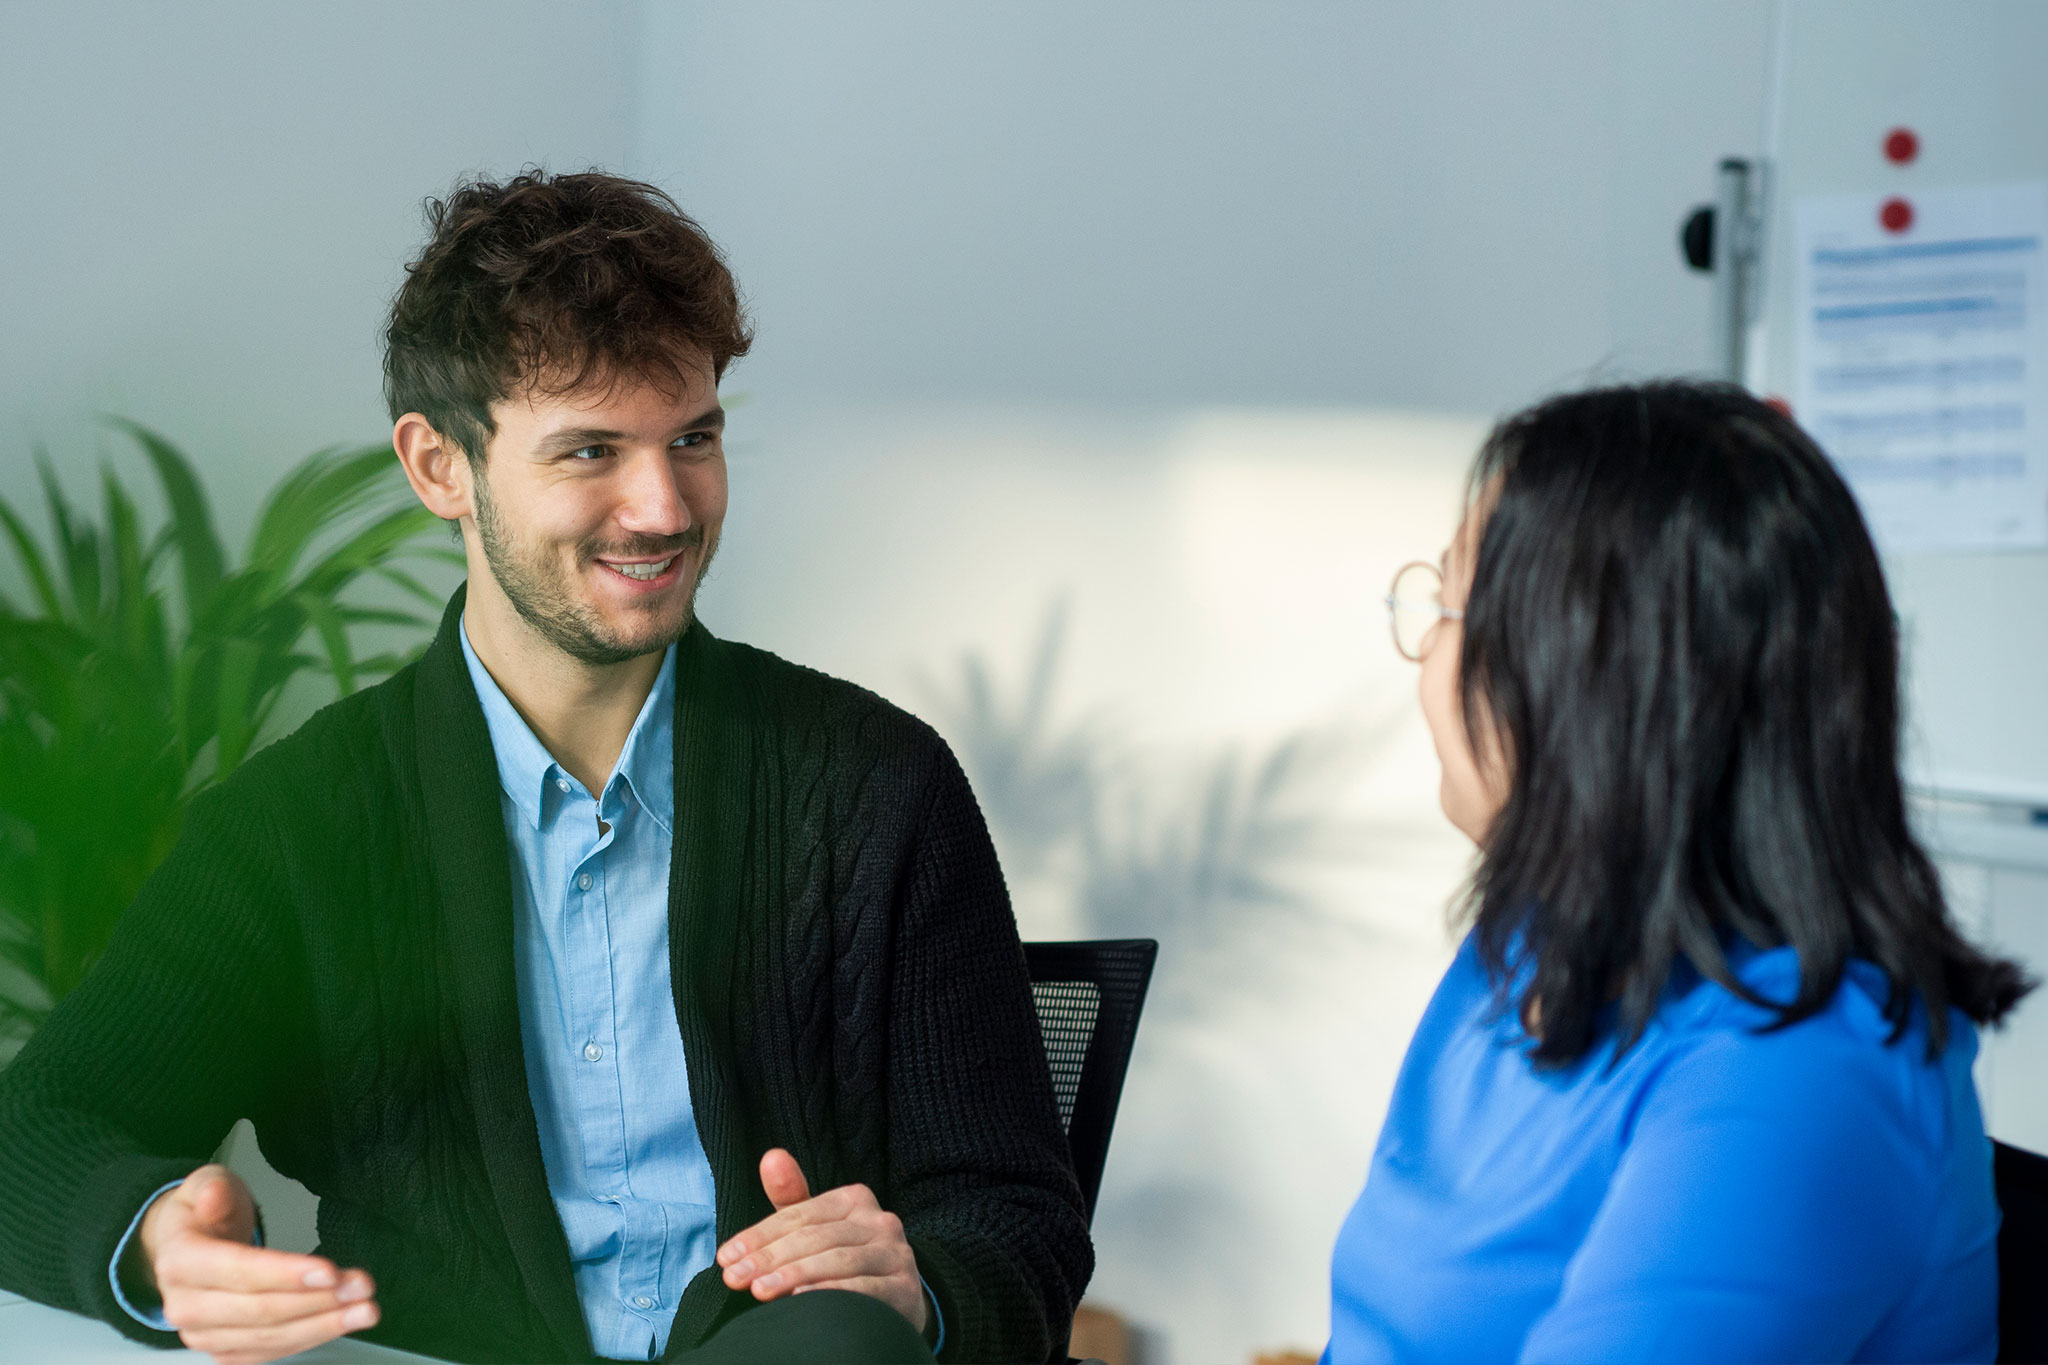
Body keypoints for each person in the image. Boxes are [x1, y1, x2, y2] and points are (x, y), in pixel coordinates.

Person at [0, 171, 1091, 1365]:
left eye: (694, 437)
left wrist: (916, 1286)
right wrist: (150, 1237)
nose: (663, 505)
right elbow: (35, 1132)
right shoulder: (298, 823)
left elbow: (1016, 1219)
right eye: (589, 452)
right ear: (437, 468)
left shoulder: (877, 787)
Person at [1326, 381, 2030, 1363]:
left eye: (1448, 605)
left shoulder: (1807, 1068)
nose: (1423, 658)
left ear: (1589, 684)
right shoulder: (1523, 952)